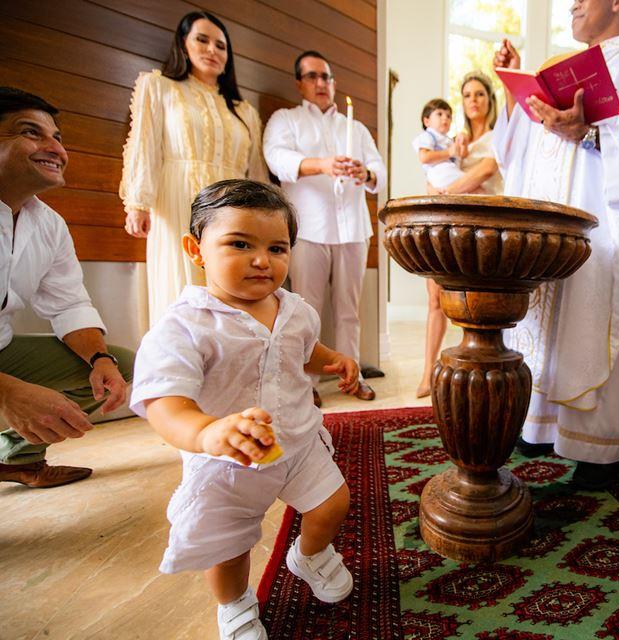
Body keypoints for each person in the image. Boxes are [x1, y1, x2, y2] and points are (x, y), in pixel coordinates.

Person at [131, 179, 358, 640]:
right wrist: (207, 433)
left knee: (333, 504)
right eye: (240, 244)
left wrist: (333, 360)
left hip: (297, 440)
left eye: (278, 248)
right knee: (230, 547)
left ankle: (309, 555)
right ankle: (233, 605)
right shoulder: (185, 326)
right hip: (225, 463)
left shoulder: (295, 310)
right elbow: (164, 402)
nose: (262, 260)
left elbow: (303, 348)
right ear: (196, 249)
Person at [493, 0, 619, 489]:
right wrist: (514, 92)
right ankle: (538, 427)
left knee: (595, 315)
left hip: (605, 220)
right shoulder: (556, 68)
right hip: (551, 222)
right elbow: (513, 152)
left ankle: (596, 450)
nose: (573, 4)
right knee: (544, 320)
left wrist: (589, 133)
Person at [0, 87, 132, 488]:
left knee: (119, 365)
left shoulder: (49, 223)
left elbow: (68, 304)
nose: (54, 148)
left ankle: (14, 459)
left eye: (57, 137)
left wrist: (100, 361)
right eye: (31, 133)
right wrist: (7, 395)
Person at [121, 11, 268, 327]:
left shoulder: (244, 111)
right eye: (202, 40)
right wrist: (138, 203)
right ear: (183, 45)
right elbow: (145, 144)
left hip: (232, 207)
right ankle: (179, 369)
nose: (212, 50)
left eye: (221, 45)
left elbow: (255, 172)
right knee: (183, 286)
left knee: (233, 286)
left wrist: (263, 217)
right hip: (178, 200)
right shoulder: (159, 87)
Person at [263, 50, 385, 403]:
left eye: (327, 76)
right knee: (306, 308)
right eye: (313, 76)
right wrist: (322, 164)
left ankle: (353, 374)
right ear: (299, 82)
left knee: (350, 309)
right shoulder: (285, 120)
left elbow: (379, 168)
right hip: (308, 227)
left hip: (353, 228)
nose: (321, 83)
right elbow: (276, 158)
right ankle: (308, 383)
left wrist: (367, 173)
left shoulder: (355, 128)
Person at [416, 72, 504, 398]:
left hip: (483, 225)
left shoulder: (499, 135)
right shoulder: (455, 141)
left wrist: (444, 193)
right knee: (434, 298)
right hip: (449, 219)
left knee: (476, 305)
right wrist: (436, 195)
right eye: (467, 95)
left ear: (489, 100)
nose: (473, 100)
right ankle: (427, 374)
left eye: (480, 94)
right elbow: (431, 172)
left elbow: (486, 171)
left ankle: (478, 376)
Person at [413, 98, 466, 190]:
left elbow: (462, 156)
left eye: (449, 116)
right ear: (427, 121)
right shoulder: (428, 135)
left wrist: (462, 143)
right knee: (477, 188)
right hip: (440, 175)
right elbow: (424, 157)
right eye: (439, 114)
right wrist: (448, 152)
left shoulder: (448, 140)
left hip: (450, 175)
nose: (445, 118)